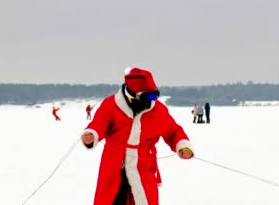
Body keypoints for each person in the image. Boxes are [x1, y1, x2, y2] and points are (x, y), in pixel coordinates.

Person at [81, 67, 194, 205]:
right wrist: (91, 134)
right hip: (114, 164)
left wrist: (182, 146)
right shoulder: (111, 105)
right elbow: (99, 124)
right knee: (111, 199)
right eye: (147, 96)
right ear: (134, 94)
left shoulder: (158, 110)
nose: (151, 100)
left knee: (145, 199)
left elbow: (173, 131)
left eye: (154, 95)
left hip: (143, 165)